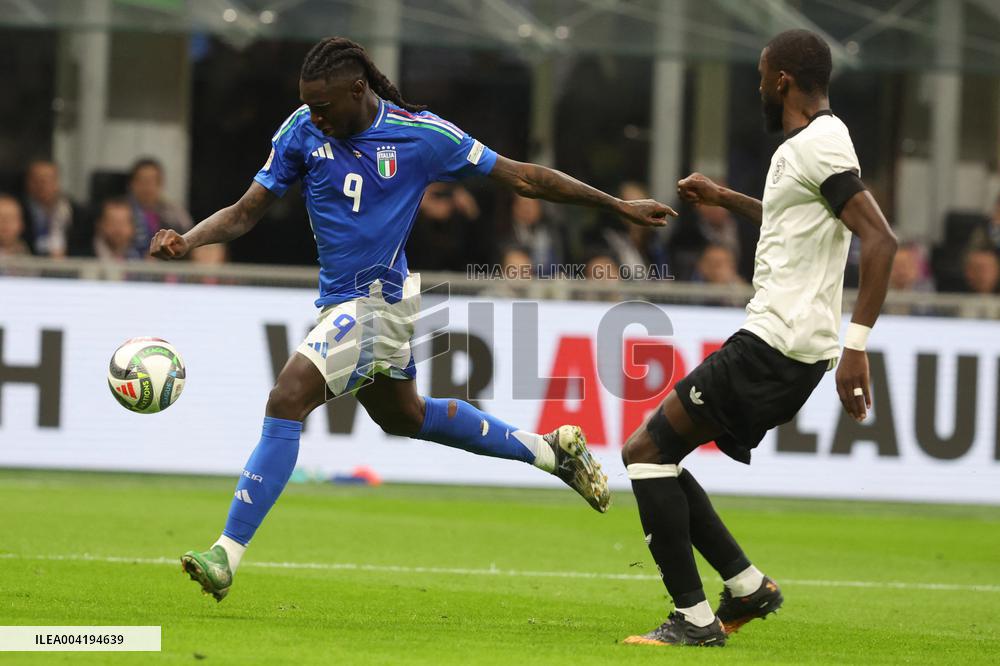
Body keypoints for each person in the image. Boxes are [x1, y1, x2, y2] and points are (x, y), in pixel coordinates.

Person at [149, 36, 674, 602]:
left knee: (287, 398)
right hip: (344, 304)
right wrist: (190, 237)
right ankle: (551, 450)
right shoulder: (302, 129)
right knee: (405, 416)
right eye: (309, 105)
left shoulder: (423, 136)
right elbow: (247, 210)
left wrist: (616, 205)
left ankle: (226, 554)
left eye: (324, 106)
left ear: (358, 89)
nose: (315, 116)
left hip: (381, 302)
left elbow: (523, 177)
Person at [620, 30, 897, 648]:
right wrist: (723, 198)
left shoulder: (819, 144)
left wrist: (857, 345)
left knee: (645, 452)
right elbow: (796, 219)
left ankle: (693, 622)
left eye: (761, 78)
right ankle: (747, 588)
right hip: (787, 348)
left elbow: (881, 240)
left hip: (776, 345)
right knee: (659, 454)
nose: (758, 90)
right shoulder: (814, 145)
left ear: (782, 83)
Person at [20, 159, 90, 258]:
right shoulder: (18, 210)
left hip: (69, 265)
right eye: (37, 180)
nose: (42, 185)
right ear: (28, 182)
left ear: (57, 181)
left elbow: (84, 245)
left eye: (47, 179)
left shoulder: (77, 211)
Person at [128, 157, 193, 258]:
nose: (147, 186)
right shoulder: (122, 211)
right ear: (132, 183)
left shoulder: (175, 212)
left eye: (152, 181)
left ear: (160, 183)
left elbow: (187, 238)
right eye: (143, 181)